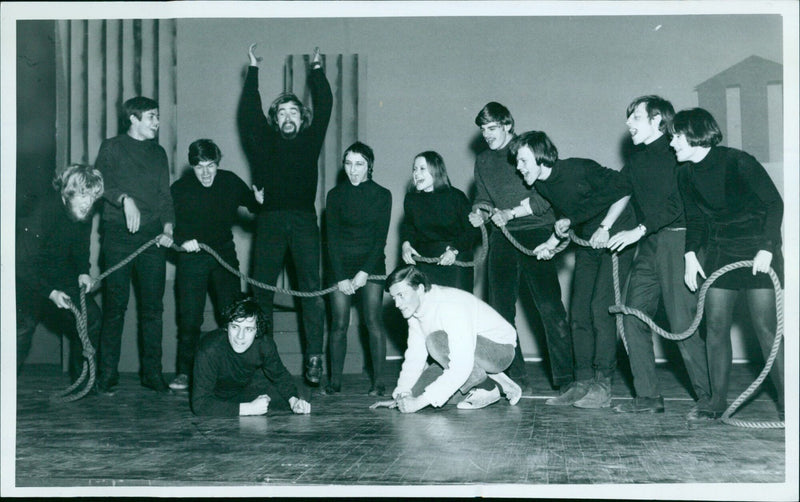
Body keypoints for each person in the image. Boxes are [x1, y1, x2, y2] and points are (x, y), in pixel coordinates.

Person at [670, 108, 784, 421]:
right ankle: (716, 401)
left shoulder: (739, 162)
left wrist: (767, 248)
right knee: (715, 326)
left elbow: (774, 204)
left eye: (677, 137)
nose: (672, 143)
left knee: (765, 328)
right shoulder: (685, 174)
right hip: (721, 250)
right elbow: (694, 218)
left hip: (758, 247)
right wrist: (690, 256)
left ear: (695, 134)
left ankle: (790, 402)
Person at [509, 130, 635, 409]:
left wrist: (606, 227)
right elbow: (570, 217)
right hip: (588, 241)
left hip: (616, 238)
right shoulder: (543, 186)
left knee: (601, 310)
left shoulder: (579, 168)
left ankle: (603, 385)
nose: (519, 168)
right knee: (578, 312)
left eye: (522, 160)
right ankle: (581, 382)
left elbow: (624, 188)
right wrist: (551, 243)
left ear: (541, 156)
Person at [607, 96, 711, 416]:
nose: (628, 123)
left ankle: (709, 399)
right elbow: (609, 189)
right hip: (651, 244)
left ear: (656, 120)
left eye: (635, 117)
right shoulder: (638, 161)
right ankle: (648, 397)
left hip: (679, 242)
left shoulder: (677, 153)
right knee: (632, 314)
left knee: (682, 323)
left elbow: (677, 206)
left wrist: (637, 231)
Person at [238, 43, 333, 385]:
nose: (289, 117)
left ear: (300, 118)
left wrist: (318, 71)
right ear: (275, 119)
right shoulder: (263, 140)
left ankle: (314, 359)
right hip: (271, 221)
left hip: (305, 222)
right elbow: (248, 112)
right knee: (261, 290)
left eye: (294, 111)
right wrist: (253, 70)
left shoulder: (310, 140)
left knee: (310, 290)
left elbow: (325, 106)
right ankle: (263, 358)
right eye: (282, 113)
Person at [468, 102, 572, 398]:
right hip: (502, 236)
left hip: (537, 232)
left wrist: (512, 212)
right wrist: (480, 211)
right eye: (483, 130)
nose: (487, 135)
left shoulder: (526, 148)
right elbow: (484, 197)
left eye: (492, 128)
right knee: (500, 312)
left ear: (507, 125)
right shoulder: (483, 161)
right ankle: (516, 379)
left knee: (550, 308)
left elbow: (547, 192)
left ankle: (566, 379)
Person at [168, 139, 264, 391]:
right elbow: (166, 228)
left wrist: (258, 200)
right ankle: (184, 372)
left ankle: (231, 370)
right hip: (192, 257)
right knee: (190, 318)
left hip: (223, 255)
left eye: (211, 165)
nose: (206, 172)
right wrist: (181, 241)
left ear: (217, 164)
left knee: (231, 316)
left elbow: (251, 205)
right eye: (200, 167)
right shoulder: (179, 189)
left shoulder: (229, 181)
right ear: (192, 167)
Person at [95, 96, 175, 394]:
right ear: (134, 119)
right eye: (152, 116)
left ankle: (152, 374)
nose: (157, 122)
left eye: (157, 116)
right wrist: (125, 200)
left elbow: (165, 196)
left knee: (153, 309)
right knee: (115, 307)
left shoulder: (159, 152)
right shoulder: (112, 147)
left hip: (153, 238)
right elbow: (101, 183)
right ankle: (106, 374)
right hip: (117, 235)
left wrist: (167, 227)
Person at [374, 265, 522, 412]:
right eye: (394, 298)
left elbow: (461, 365)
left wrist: (417, 404)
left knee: (435, 341)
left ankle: (488, 387)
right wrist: (402, 395)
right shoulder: (414, 311)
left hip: (500, 351)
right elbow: (415, 356)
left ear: (419, 289)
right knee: (419, 392)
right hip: (471, 352)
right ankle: (500, 382)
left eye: (401, 295)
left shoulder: (450, 306)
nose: (397, 304)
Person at [16, 164, 104, 382]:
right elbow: (22, 263)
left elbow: (81, 249)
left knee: (91, 318)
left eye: (93, 196)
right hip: (28, 279)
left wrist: (84, 272)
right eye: (83, 195)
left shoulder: (84, 213)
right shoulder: (43, 210)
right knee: (21, 330)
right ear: (68, 193)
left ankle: (82, 382)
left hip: (61, 277)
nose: (88, 203)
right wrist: (50, 293)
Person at [324, 142, 392, 396]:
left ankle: (378, 382)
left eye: (359, 164)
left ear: (369, 167)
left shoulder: (382, 195)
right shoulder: (335, 195)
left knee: (373, 320)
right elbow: (330, 239)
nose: (353, 170)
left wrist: (364, 272)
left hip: (371, 264)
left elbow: (380, 239)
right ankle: (334, 382)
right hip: (340, 264)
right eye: (349, 164)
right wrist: (340, 276)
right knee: (339, 323)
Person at [191, 298, 311, 416]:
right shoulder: (209, 349)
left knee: (301, 395)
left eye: (248, 329)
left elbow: (279, 376)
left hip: (245, 388)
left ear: (257, 331)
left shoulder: (264, 344)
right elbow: (200, 404)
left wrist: (294, 401)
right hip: (217, 397)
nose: (240, 336)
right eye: (235, 327)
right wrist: (249, 409)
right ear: (227, 326)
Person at [401, 151, 478, 291]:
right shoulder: (411, 199)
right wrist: (406, 245)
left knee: (456, 308)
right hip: (425, 260)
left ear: (436, 171)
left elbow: (472, 231)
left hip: (456, 258)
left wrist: (454, 250)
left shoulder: (456, 197)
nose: (416, 173)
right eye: (414, 169)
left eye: (422, 169)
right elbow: (409, 227)